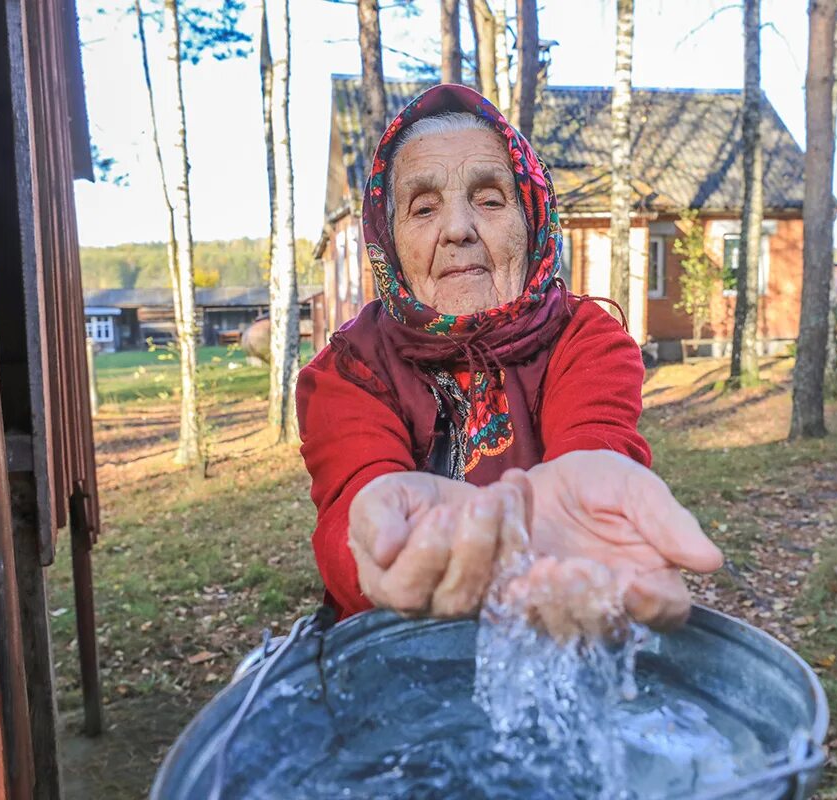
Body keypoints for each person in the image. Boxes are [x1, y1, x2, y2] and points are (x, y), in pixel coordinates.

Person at [297, 84, 723, 638]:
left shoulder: (585, 339)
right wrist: (380, 543)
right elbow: (350, 516)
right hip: (389, 653)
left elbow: (596, 447)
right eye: (423, 208)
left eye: (490, 199)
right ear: (390, 239)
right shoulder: (348, 370)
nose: (456, 230)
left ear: (532, 219)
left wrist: (579, 514)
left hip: (549, 637)